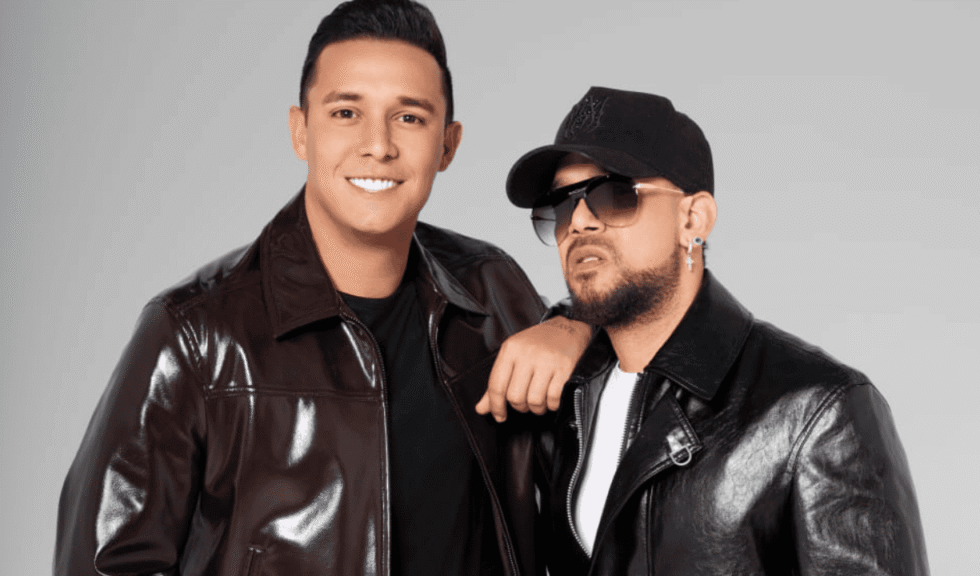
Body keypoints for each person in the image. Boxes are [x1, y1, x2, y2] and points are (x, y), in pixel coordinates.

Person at [53, 2, 590, 574]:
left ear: (447, 144)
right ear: (300, 131)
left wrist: (578, 325)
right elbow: (102, 562)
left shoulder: (492, 291)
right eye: (346, 113)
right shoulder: (195, 332)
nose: (378, 145)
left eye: (409, 118)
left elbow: (592, 471)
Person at [504, 86, 930, 575]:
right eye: (561, 205)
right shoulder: (563, 401)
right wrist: (563, 323)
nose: (579, 222)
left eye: (614, 195)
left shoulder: (817, 411)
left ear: (693, 218)